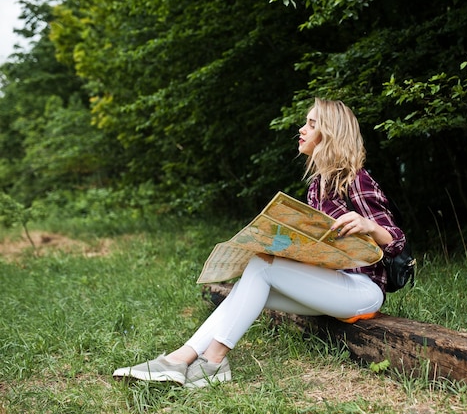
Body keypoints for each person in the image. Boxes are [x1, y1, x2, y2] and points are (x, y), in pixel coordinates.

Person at [112, 98, 407, 388]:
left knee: (261, 267)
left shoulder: (355, 179)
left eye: (311, 124)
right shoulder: (317, 187)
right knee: (250, 285)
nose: (301, 130)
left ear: (330, 134)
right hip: (332, 283)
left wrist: (369, 225)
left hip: (362, 291)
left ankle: (213, 362)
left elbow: (396, 240)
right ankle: (179, 359)